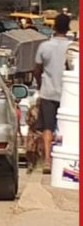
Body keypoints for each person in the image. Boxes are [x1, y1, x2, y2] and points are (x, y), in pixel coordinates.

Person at [33, 14, 72, 174]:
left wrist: (41, 85)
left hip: (48, 93)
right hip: (69, 94)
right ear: (68, 27)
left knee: (47, 128)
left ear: (54, 27)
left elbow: (36, 69)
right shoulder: (72, 47)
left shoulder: (44, 46)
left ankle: (47, 161)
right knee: (67, 127)